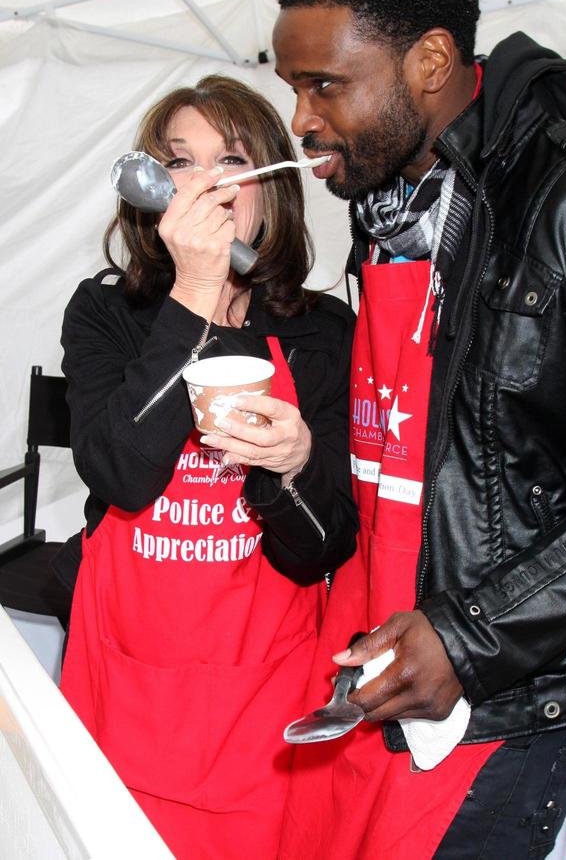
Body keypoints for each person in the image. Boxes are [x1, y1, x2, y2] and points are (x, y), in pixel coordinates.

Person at [270, 0, 566, 860]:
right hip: (382, 655)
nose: (302, 120)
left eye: (325, 85)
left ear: (431, 61)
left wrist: (470, 634)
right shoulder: (391, 204)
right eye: (292, 88)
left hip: (507, 692)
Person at [56, 74, 358, 859]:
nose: (205, 182)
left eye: (230, 159)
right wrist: (195, 289)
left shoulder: (322, 331)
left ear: (270, 192)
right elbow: (121, 474)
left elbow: (323, 547)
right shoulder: (108, 314)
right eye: (178, 161)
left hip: (261, 697)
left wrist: (293, 465)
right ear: (152, 190)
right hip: (127, 678)